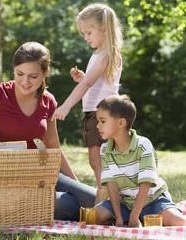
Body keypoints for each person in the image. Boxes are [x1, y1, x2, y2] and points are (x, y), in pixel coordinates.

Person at [0, 41, 96, 221]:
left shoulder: (48, 101)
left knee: (92, 198)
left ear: (45, 73)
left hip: (40, 172)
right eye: (19, 74)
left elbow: (53, 146)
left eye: (33, 76)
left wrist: (74, 184)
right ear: (13, 69)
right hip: (5, 177)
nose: (25, 81)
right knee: (65, 204)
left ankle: (136, 214)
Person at [52, 3, 123, 189]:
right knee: (97, 158)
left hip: (102, 114)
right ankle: (105, 193)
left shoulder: (106, 55)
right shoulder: (99, 54)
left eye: (89, 33)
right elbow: (96, 82)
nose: (85, 37)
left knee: (99, 158)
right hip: (97, 113)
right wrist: (83, 77)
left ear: (104, 29)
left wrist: (66, 106)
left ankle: (105, 195)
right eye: (83, 33)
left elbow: (88, 84)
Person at [95, 95, 186, 227]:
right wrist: (119, 217)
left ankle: (140, 218)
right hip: (124, 204)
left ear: (121, 123)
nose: (98, 126)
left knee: (180, 222)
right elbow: (112, 186)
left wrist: (134, 216)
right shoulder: (105, 149)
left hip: (153, 201)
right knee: (93, 217)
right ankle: (135, 220)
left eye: (102, 121)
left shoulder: (143, 145)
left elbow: (146, 184)